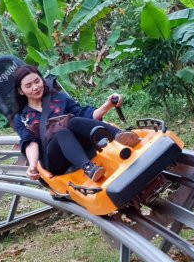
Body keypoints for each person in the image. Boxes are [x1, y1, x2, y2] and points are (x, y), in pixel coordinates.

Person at [11, 65, 139, 182]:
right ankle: (89, 168)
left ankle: (120, 135)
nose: (35, 87)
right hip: (54, 158)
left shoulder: (58, 98)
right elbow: (30, 142)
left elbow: (83, 114)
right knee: (62, 132)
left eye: (37, 81)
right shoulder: (21, 117)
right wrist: (33, 166)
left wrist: (108, 105)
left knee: (74, 120)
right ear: (20, 91)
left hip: (78, 143)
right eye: (28, 86)